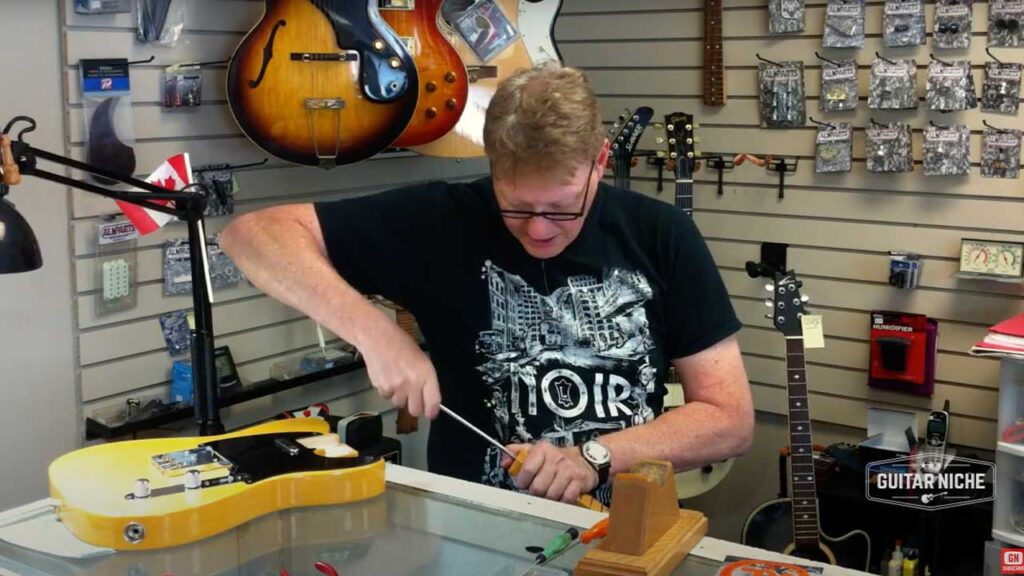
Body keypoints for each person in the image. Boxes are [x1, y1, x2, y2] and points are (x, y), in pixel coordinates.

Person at [220, 63, 753, 506]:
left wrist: (594, 457)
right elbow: (252, 235)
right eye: (516, 206)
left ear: (601, 163)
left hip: (624, 531)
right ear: (492, 164)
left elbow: (728, 420)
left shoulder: (662, 234)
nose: (540, 230)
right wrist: (373, 332)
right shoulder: (441, 219)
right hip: (476, 530)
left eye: (564, 208)